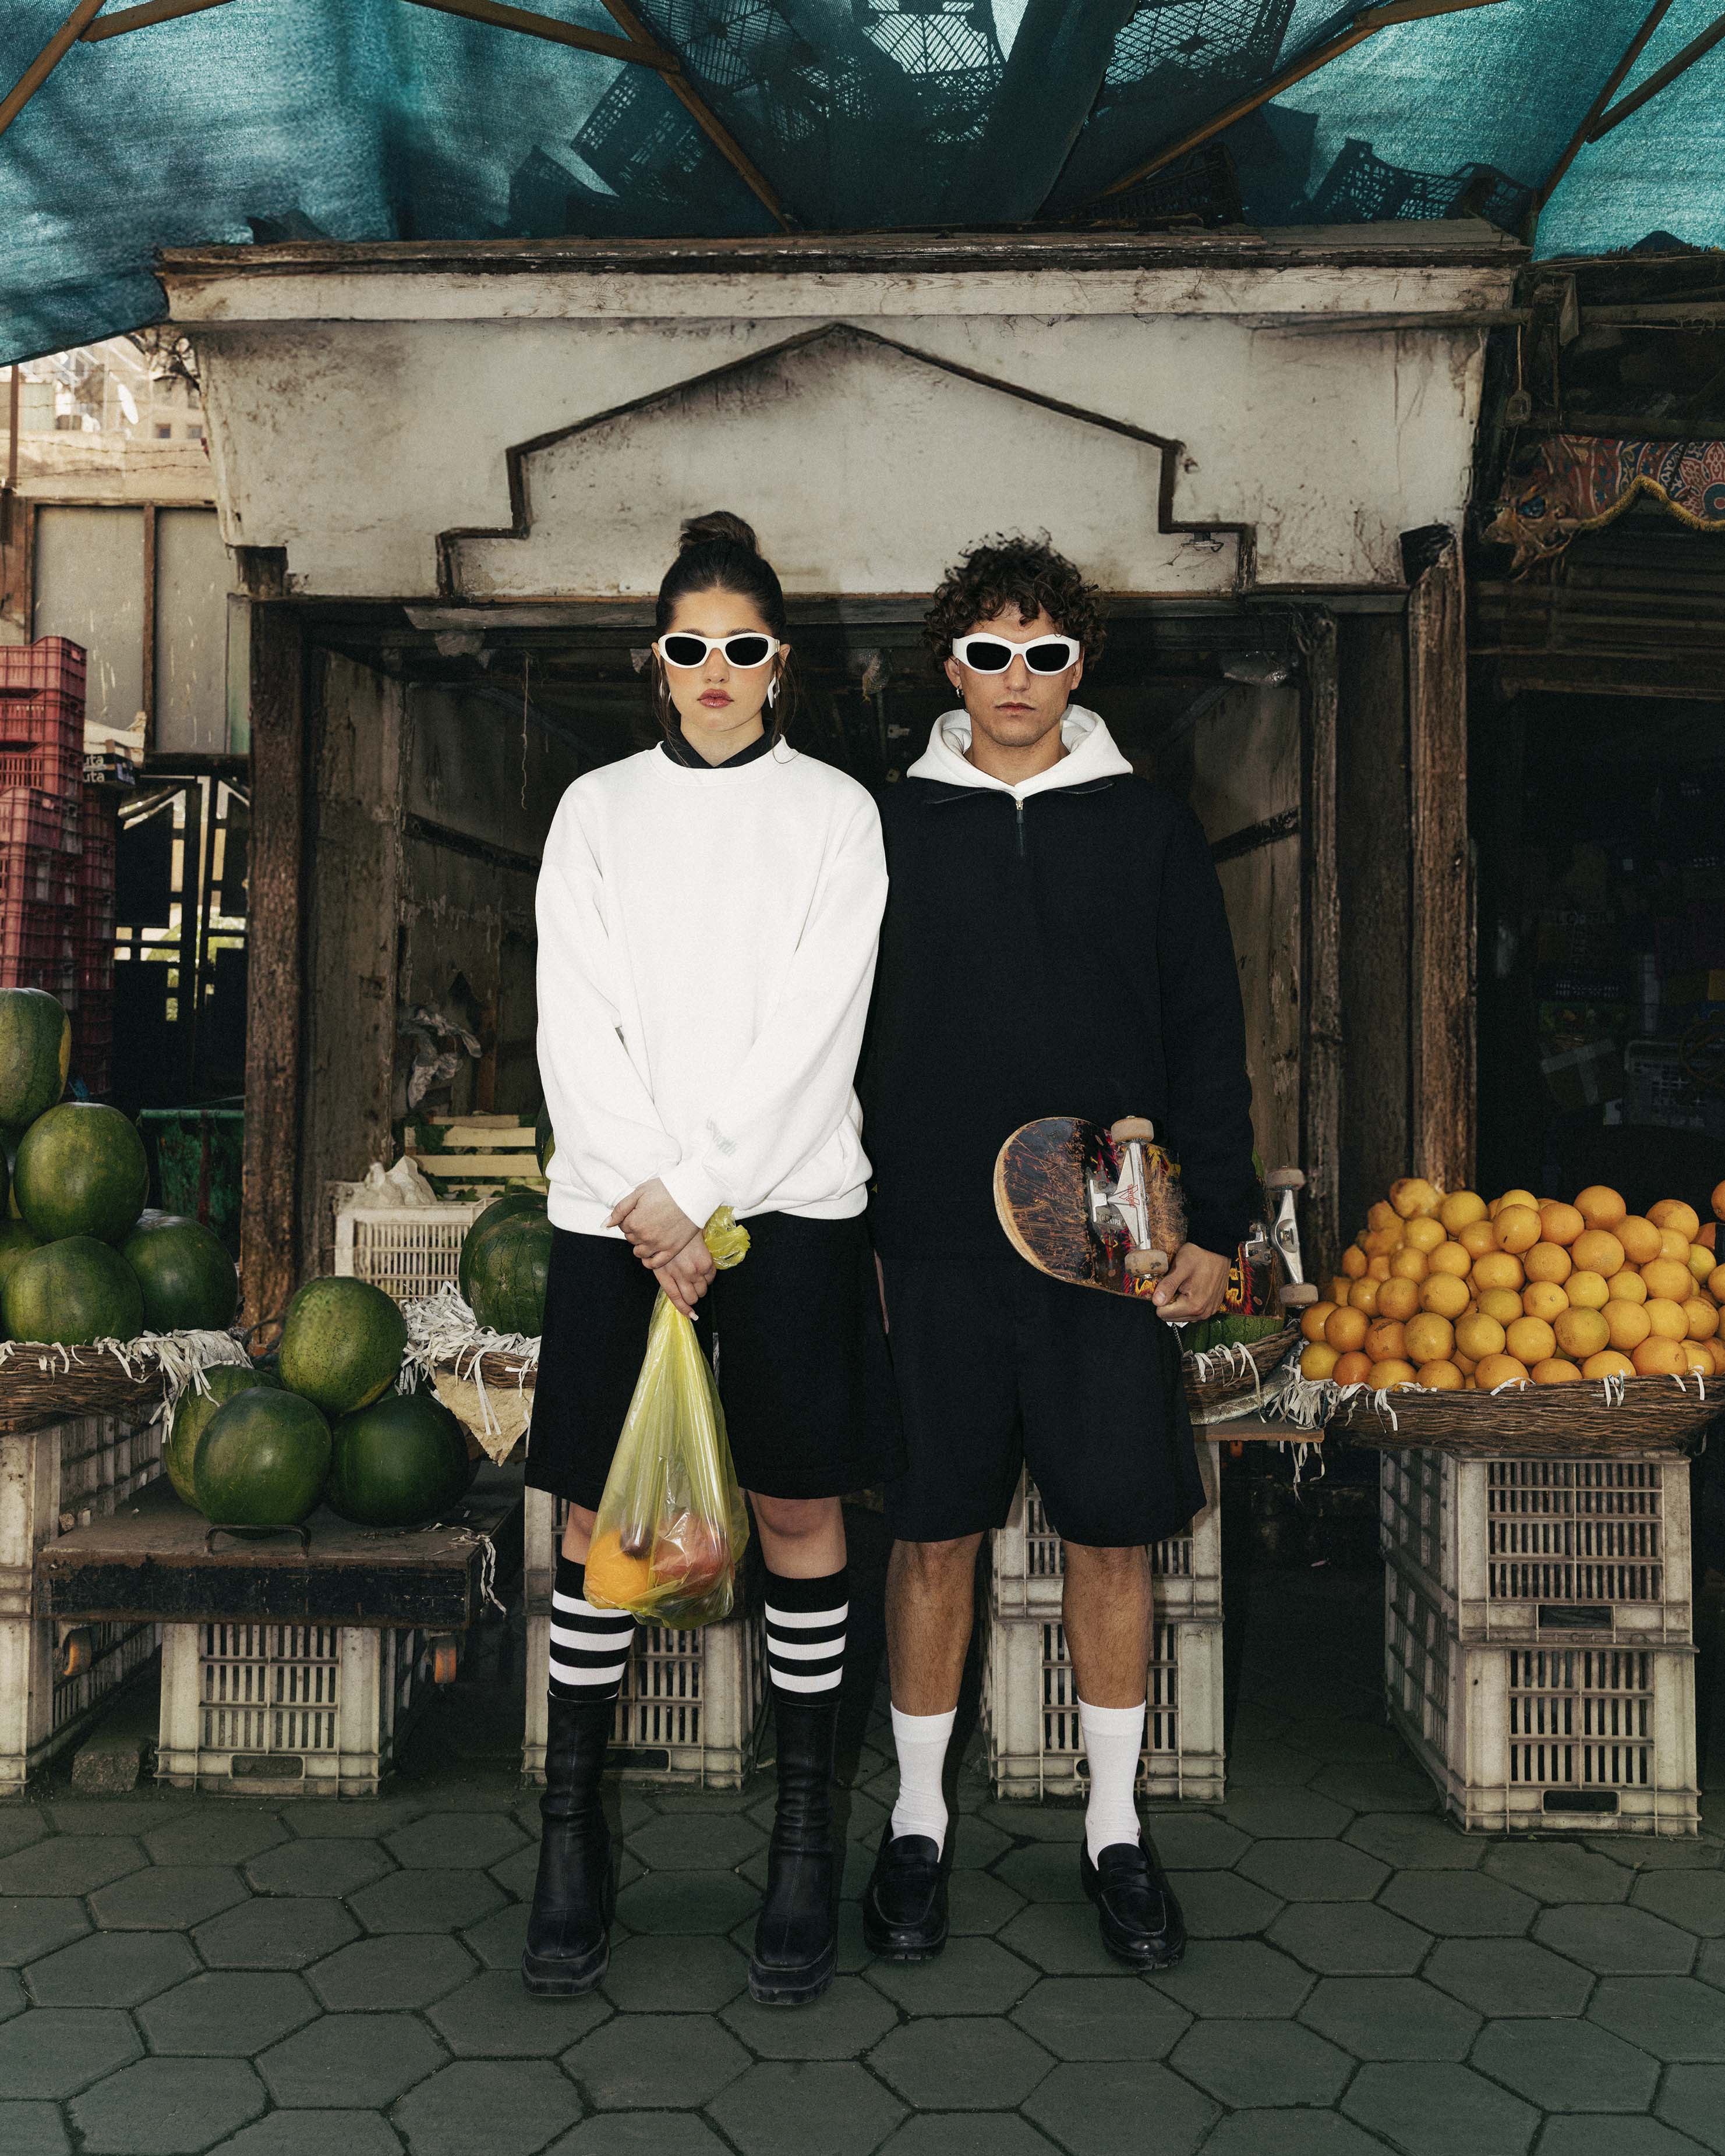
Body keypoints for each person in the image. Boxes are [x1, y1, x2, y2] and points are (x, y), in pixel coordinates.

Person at [859, 533, 1259, 1971]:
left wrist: (1217, 1224)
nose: (1014, 678)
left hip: (1106, 1239)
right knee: (930, 1531)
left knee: (1109, 1533)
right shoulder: (883, 824)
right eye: (987, 652)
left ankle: (1112, 1829)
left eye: (1042, 653)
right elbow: (832, 1034)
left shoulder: (1147, 826)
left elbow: (1205, 1029)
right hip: (927, 1238)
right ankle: (915, 1822)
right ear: (948, 665)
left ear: (1079, 665)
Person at [524, 511, 899, 2008]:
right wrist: (651, 1206)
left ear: (780, 661)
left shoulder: (836, 816)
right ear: (657, 660)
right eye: (691, 646)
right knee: (592, 1520)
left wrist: (698, 1196)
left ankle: (803, 1841)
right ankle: (570, 1833)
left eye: (743, 646)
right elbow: (573, 1018)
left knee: (797, 1505)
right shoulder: (594, 811)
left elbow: (819, 1027)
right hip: (614, 1215)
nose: (717, 668)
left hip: (788, 1204)